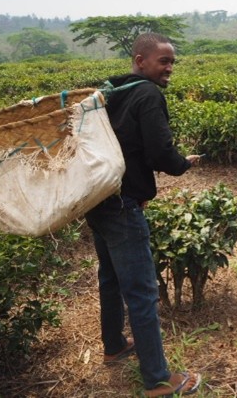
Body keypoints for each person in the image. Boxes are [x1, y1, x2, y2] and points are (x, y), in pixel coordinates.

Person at [85, 32, 202, 397]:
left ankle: (114, 345)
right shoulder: (148, 94)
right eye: (163, 61)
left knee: (110, 278)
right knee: (142, 290)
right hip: (123, 204)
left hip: (98, 198)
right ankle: (158, 379)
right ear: (140, 61)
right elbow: (158, 152)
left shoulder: (111, 92)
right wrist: (183, 164)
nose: (169, 68)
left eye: (172, 62)